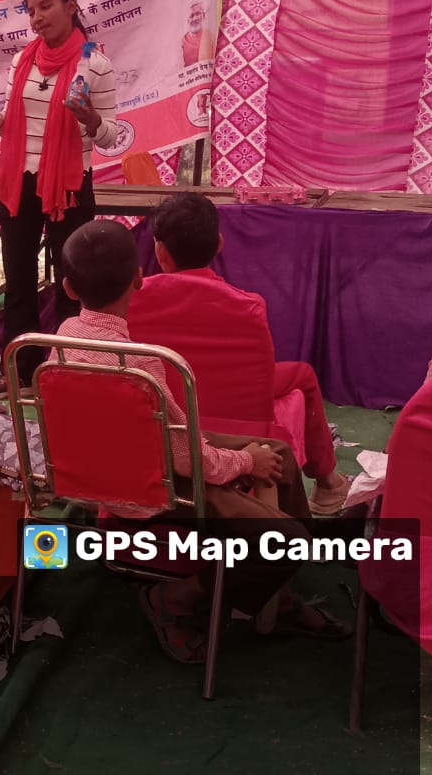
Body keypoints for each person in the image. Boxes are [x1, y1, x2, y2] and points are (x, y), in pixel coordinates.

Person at [57, 221, 350, 663]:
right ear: (138, 278)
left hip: (126, 456)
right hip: (148, 483)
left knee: (279, 453)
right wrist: (245, 463)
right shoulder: (142, 365)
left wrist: (246, 456)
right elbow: (190, 461)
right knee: (285, 532)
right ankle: (174, 599)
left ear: (67, 287)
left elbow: (173, 439)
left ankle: (280, 595)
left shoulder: (58, 340)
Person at [143, 193, 351, 514]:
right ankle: (328, 484)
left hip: (162, 409)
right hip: (232, 423)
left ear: (160, 251)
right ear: (219, 244)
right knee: (303, 375)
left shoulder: (135, 298)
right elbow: (260, 382)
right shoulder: (248, 306)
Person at [0, 0, 118, 386]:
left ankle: (66, 372)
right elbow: (11, 129)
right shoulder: (23, 61)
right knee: (18, 283)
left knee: (71, 284)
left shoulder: (96, 65)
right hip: (18, 186)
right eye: (31, 11)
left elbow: (111, 137)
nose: (36, 18)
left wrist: (89, 117)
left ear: (71, 6)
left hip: (69, 188)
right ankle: (20, 373)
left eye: (45, 6)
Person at [181, 1, 216, 66]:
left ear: (203, 16)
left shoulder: (212, 38)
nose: (195, 19)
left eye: (197, 14)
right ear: (187, 20)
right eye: (191, 16)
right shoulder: (182, 42)